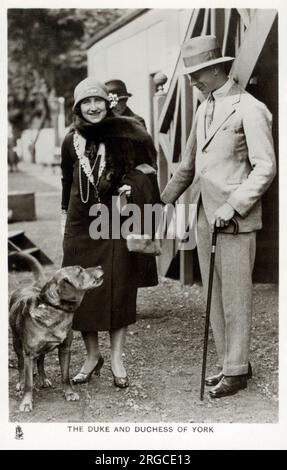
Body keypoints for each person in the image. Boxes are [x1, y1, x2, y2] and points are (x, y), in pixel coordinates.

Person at [161, 35, 276, 398]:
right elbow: (188, 165)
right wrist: (160, 201)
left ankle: (237, 371)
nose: (192, 80)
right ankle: (231, 363)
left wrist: (233, 205)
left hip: (235, 220)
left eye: (196, 73)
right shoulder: (203, 107)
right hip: (204, 217)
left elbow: (266, 168)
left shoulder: (250, 108)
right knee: (214, 297)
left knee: (236, 296)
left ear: (214, 68)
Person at [61, 77, 160, 388]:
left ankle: (117, 358)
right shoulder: (71, 139)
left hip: (115, 218)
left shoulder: (128, 133)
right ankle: (92, 356)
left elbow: (149, 169)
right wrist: (66, 215)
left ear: (108, 103)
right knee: (82, 291)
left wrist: (134, 183)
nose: (93, 107)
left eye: (98, 101)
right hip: (81, 223)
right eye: (86, 102)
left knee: (118, 288)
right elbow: (68, 179)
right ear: (78, 107)